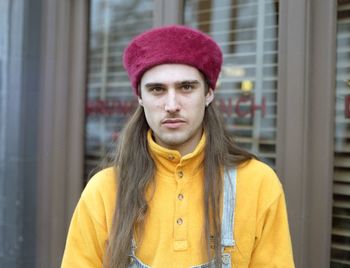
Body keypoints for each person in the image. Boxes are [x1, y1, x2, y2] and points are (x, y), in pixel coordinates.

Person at [61, 25, 294, 268]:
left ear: (208, 93)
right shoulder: (104, 190)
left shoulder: (258, 183)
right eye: (157, 89)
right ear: (140, 97)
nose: (172, 104)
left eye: (186, 87)